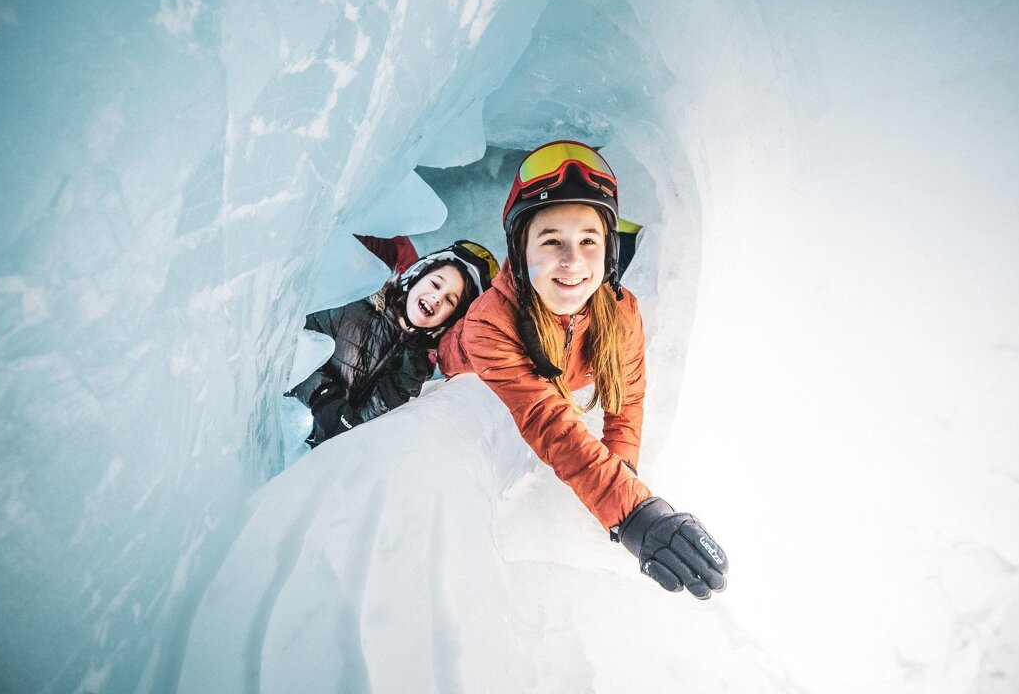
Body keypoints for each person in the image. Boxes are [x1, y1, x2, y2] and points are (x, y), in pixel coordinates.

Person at [438, 140, 729, 599]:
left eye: (588, 241)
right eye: (551, 240)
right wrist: (635, 514)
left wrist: (622, 475)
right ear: (520, 249)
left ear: (609, 251)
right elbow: (549, 421)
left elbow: (626, 400)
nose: (572, 261)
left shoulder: (622, 312)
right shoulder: (489, 324)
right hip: (458, 362)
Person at [286, 239, 499, 448]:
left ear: (450, 321)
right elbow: (289, 348)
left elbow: (365, 427)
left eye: (450, 300)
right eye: (435, 284)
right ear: (417, 276)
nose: (437, 298)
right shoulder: (358, 300)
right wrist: (324, 396)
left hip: (306, 457)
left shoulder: (415, 371)